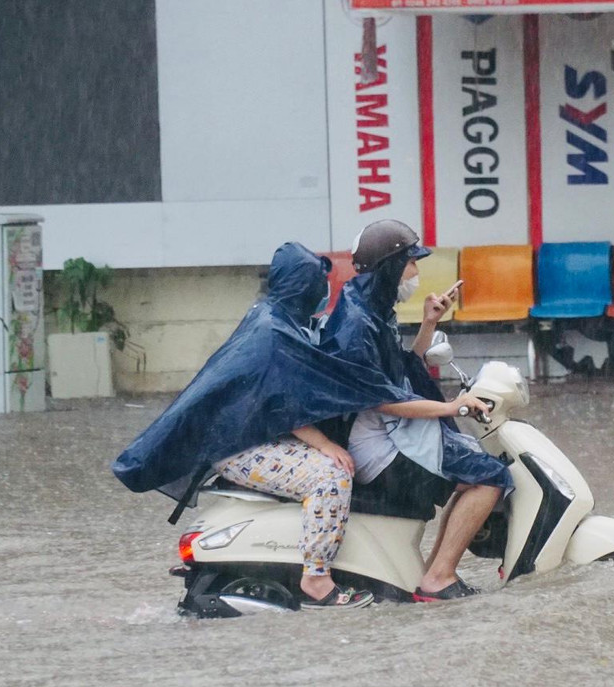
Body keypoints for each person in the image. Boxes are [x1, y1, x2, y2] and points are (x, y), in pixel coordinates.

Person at [112, 242, 418, 609]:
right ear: (301, 285)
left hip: (245, 436)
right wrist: (324, 445)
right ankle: (316, 579)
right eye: (317, 283)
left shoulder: (276, 318)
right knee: (330, 475)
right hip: (239, 445)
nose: (323, 291)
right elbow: (283, 403)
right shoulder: (275, 333)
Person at [321, 220, 514, 602]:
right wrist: (452, 406)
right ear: (392, 265)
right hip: (380, 444)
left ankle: (435, 572)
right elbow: (379, 397)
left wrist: (429, 323)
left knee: (478, 467)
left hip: (392, 430)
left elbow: (401, 368)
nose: (416, 272)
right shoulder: (356, 324)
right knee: (491, 477)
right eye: (410, 262)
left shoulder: (373, 307)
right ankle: (438, 577)